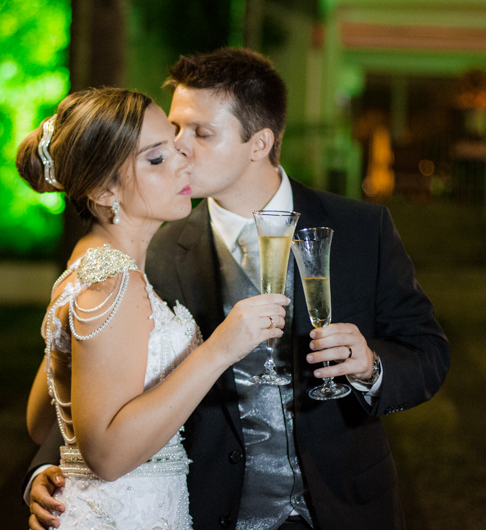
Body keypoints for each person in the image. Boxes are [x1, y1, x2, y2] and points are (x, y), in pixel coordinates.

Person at [27, 49, 450, 530]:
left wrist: (371, 365)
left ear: (259, 143)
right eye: (175, 129)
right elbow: (90, 373)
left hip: (345, 507)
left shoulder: (361, 229)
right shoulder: (153, 247)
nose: (180, 147)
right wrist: (52, 469)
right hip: (216, 510)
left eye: (202, 133)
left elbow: (428, 351)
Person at [18, 86, 289, 529]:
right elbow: (107, 458)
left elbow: (43, 420)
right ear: (105, 190)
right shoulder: (115, 284)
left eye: (175, 148)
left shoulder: (87, 267)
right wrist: (220, 349)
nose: (183, 162)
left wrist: (58, 469)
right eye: (157, 158)